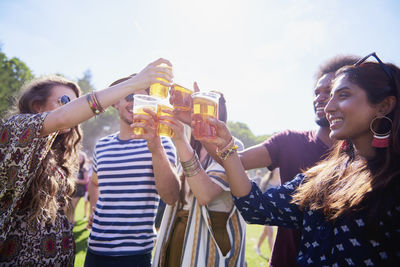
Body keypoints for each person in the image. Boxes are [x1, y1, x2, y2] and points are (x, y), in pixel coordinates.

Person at [202, 52, 400, 266]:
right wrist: (225, 146)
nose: (328, 106)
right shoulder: (324, 176)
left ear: (384, 106)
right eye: (323, 93)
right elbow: (256, 208)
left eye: (342, 95)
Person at [0, 58, 173, 265]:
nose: (73, 111)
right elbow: (64, 117)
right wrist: (136, 81)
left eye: (75, 103)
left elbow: (170, 195)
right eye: (66, 102)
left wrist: (98, 212)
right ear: (37, 105)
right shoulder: (17, 131)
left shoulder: (57, 151)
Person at [84, 77, 180, 267]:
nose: (135, 103)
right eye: (129, 96)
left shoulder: (161, 144)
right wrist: (95, 209)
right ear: (116, 103)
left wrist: (156, 149)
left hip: (136, 254)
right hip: (95, 250)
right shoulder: (102, 146)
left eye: (143, 99)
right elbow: (94, 183)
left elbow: (171, 197)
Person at [151, 90, 247, 267]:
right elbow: (170, 198)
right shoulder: (190, 149)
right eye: (197, 105)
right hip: (177, 234)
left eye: (208, 106)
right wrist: (156, 147)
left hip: (209, 241)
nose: (201, 111)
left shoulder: (232, 147)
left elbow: (205, 195)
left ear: (219, 113)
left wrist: (180, 139)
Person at [255, 168, 280, 258]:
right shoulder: (266, 181)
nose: (279, 170)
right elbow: (260, 197)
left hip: (276, 212)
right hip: (266, 212)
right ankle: (273, 256)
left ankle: (257, 247)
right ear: (273, 170)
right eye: (278, 169)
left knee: (266, 232)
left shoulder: (281, 182)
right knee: (270, 232)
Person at [71, 150, 90, 224]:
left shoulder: (84, 169)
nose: (78, 158)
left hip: (79, 190)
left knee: (73, 207)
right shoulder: (73, 167)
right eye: (78, 156)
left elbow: (86, 181)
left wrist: (77, 180)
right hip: (72, 190)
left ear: (83, 159)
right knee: (70, 207)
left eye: (80, 157)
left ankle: (71, 222)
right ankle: (71, 221)